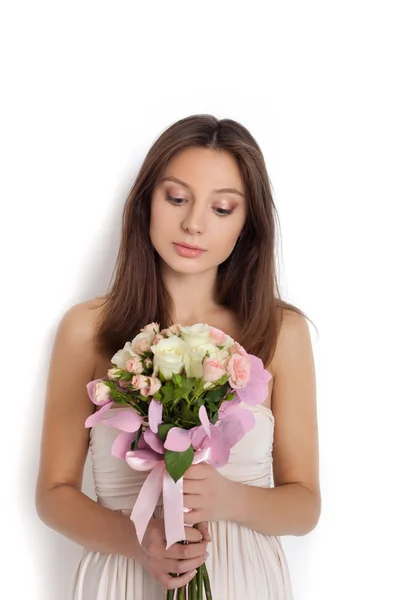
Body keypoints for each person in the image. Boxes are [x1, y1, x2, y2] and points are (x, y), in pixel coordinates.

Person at [35, 114, 321, 599]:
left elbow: (305, 504)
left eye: (223, 208)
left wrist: (229, 499)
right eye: (176, 198)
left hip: (243, 580)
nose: (193, 223)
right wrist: (140, 539)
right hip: (126, 576)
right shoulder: (86, 330)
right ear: (146, 200)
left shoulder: (281, 333)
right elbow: (53, 495)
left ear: (247, 225)